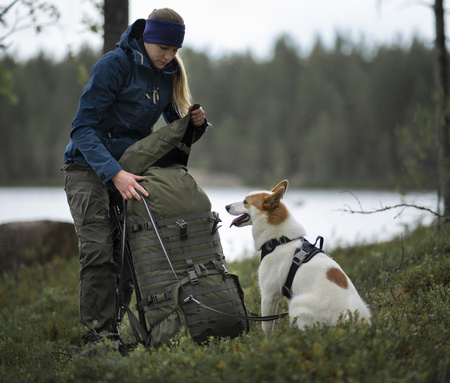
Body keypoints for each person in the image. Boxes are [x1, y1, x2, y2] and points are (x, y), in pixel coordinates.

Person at [62, 8, 207, 343]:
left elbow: (172, 133)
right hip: (86, 167)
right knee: (99, 250)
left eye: (175, 51)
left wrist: (195, 126)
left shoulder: (168, 72)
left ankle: (112, 327)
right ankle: (97, 337)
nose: (169, 56)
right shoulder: (114, 65)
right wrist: (114, 174)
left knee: (131, 252)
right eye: (164, 49)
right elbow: (82, 129)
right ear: (148, 38)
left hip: (130, 170)